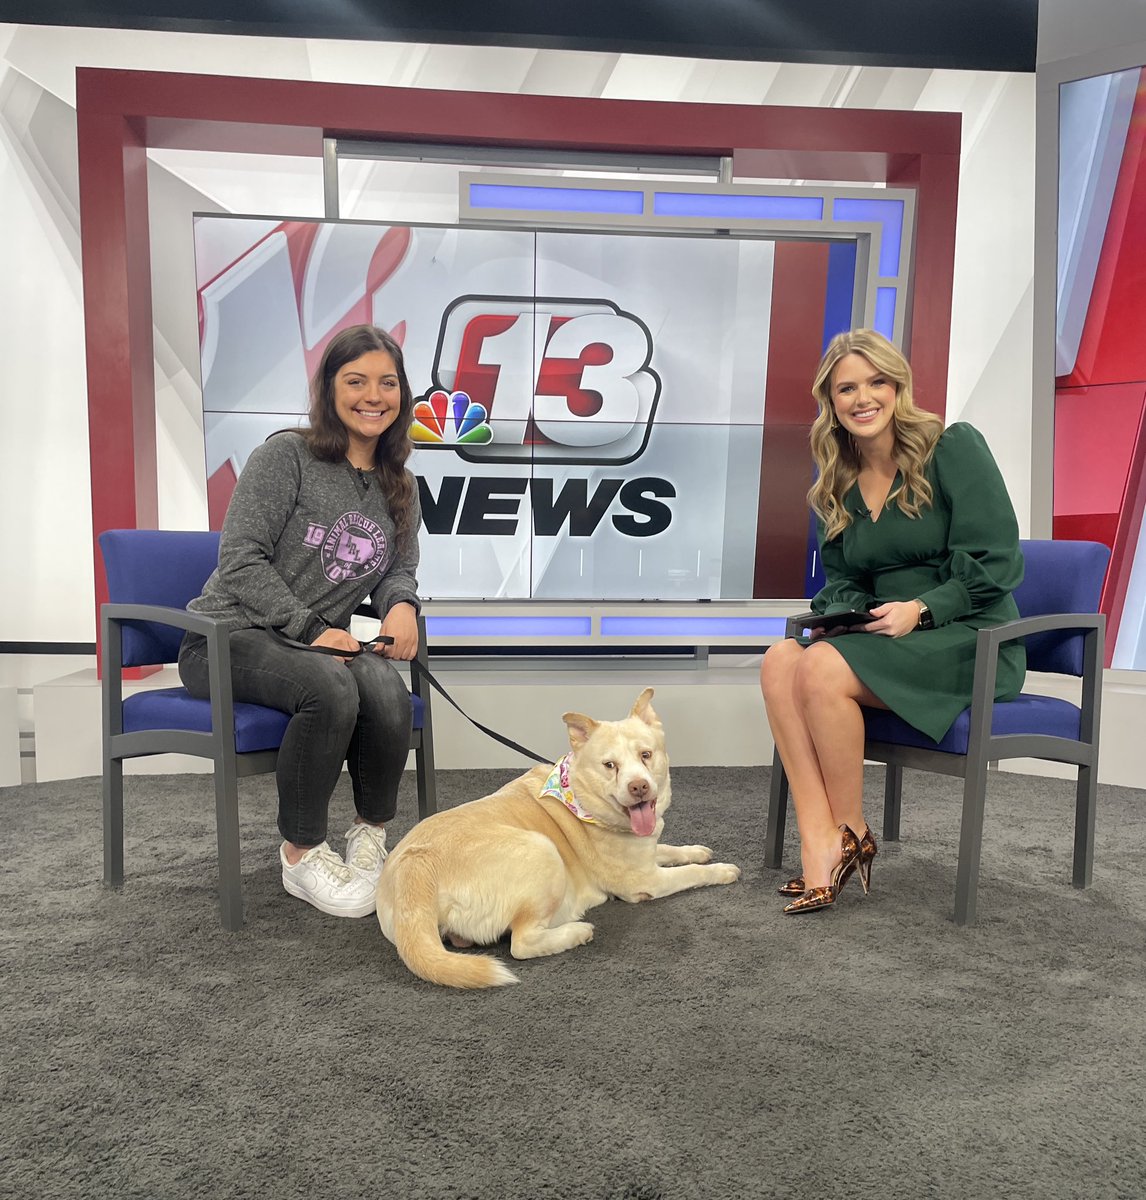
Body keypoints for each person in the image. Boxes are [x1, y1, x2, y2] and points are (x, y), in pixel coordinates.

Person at [760, 328, 1025, 914]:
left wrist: (923, 609)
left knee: (822, 669)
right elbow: (840, 578)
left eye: (876, 382)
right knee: (782, 660)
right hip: (885, 634)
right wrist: (846, 615)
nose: (863, 398)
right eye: (846, 388)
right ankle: (820, 840)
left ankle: (852, 831)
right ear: (830, 401)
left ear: (898, 386)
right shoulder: (838, 478)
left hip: (970, 636)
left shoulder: (952, 447)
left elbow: (1000, 562)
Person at [178, 324, 423, 919]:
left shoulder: (400, 484)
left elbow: (398, 566)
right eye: (356, 381)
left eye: (387, 383)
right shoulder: (285, 455)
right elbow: (239, 561)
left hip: (312, 644)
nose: (373, 396)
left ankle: (369, 837)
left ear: (402, 394)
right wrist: (312, 628)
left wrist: (401, 604)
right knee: (333, 686)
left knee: (387, 692)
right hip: (226, 637)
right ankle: (301, 853)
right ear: (329, 389)